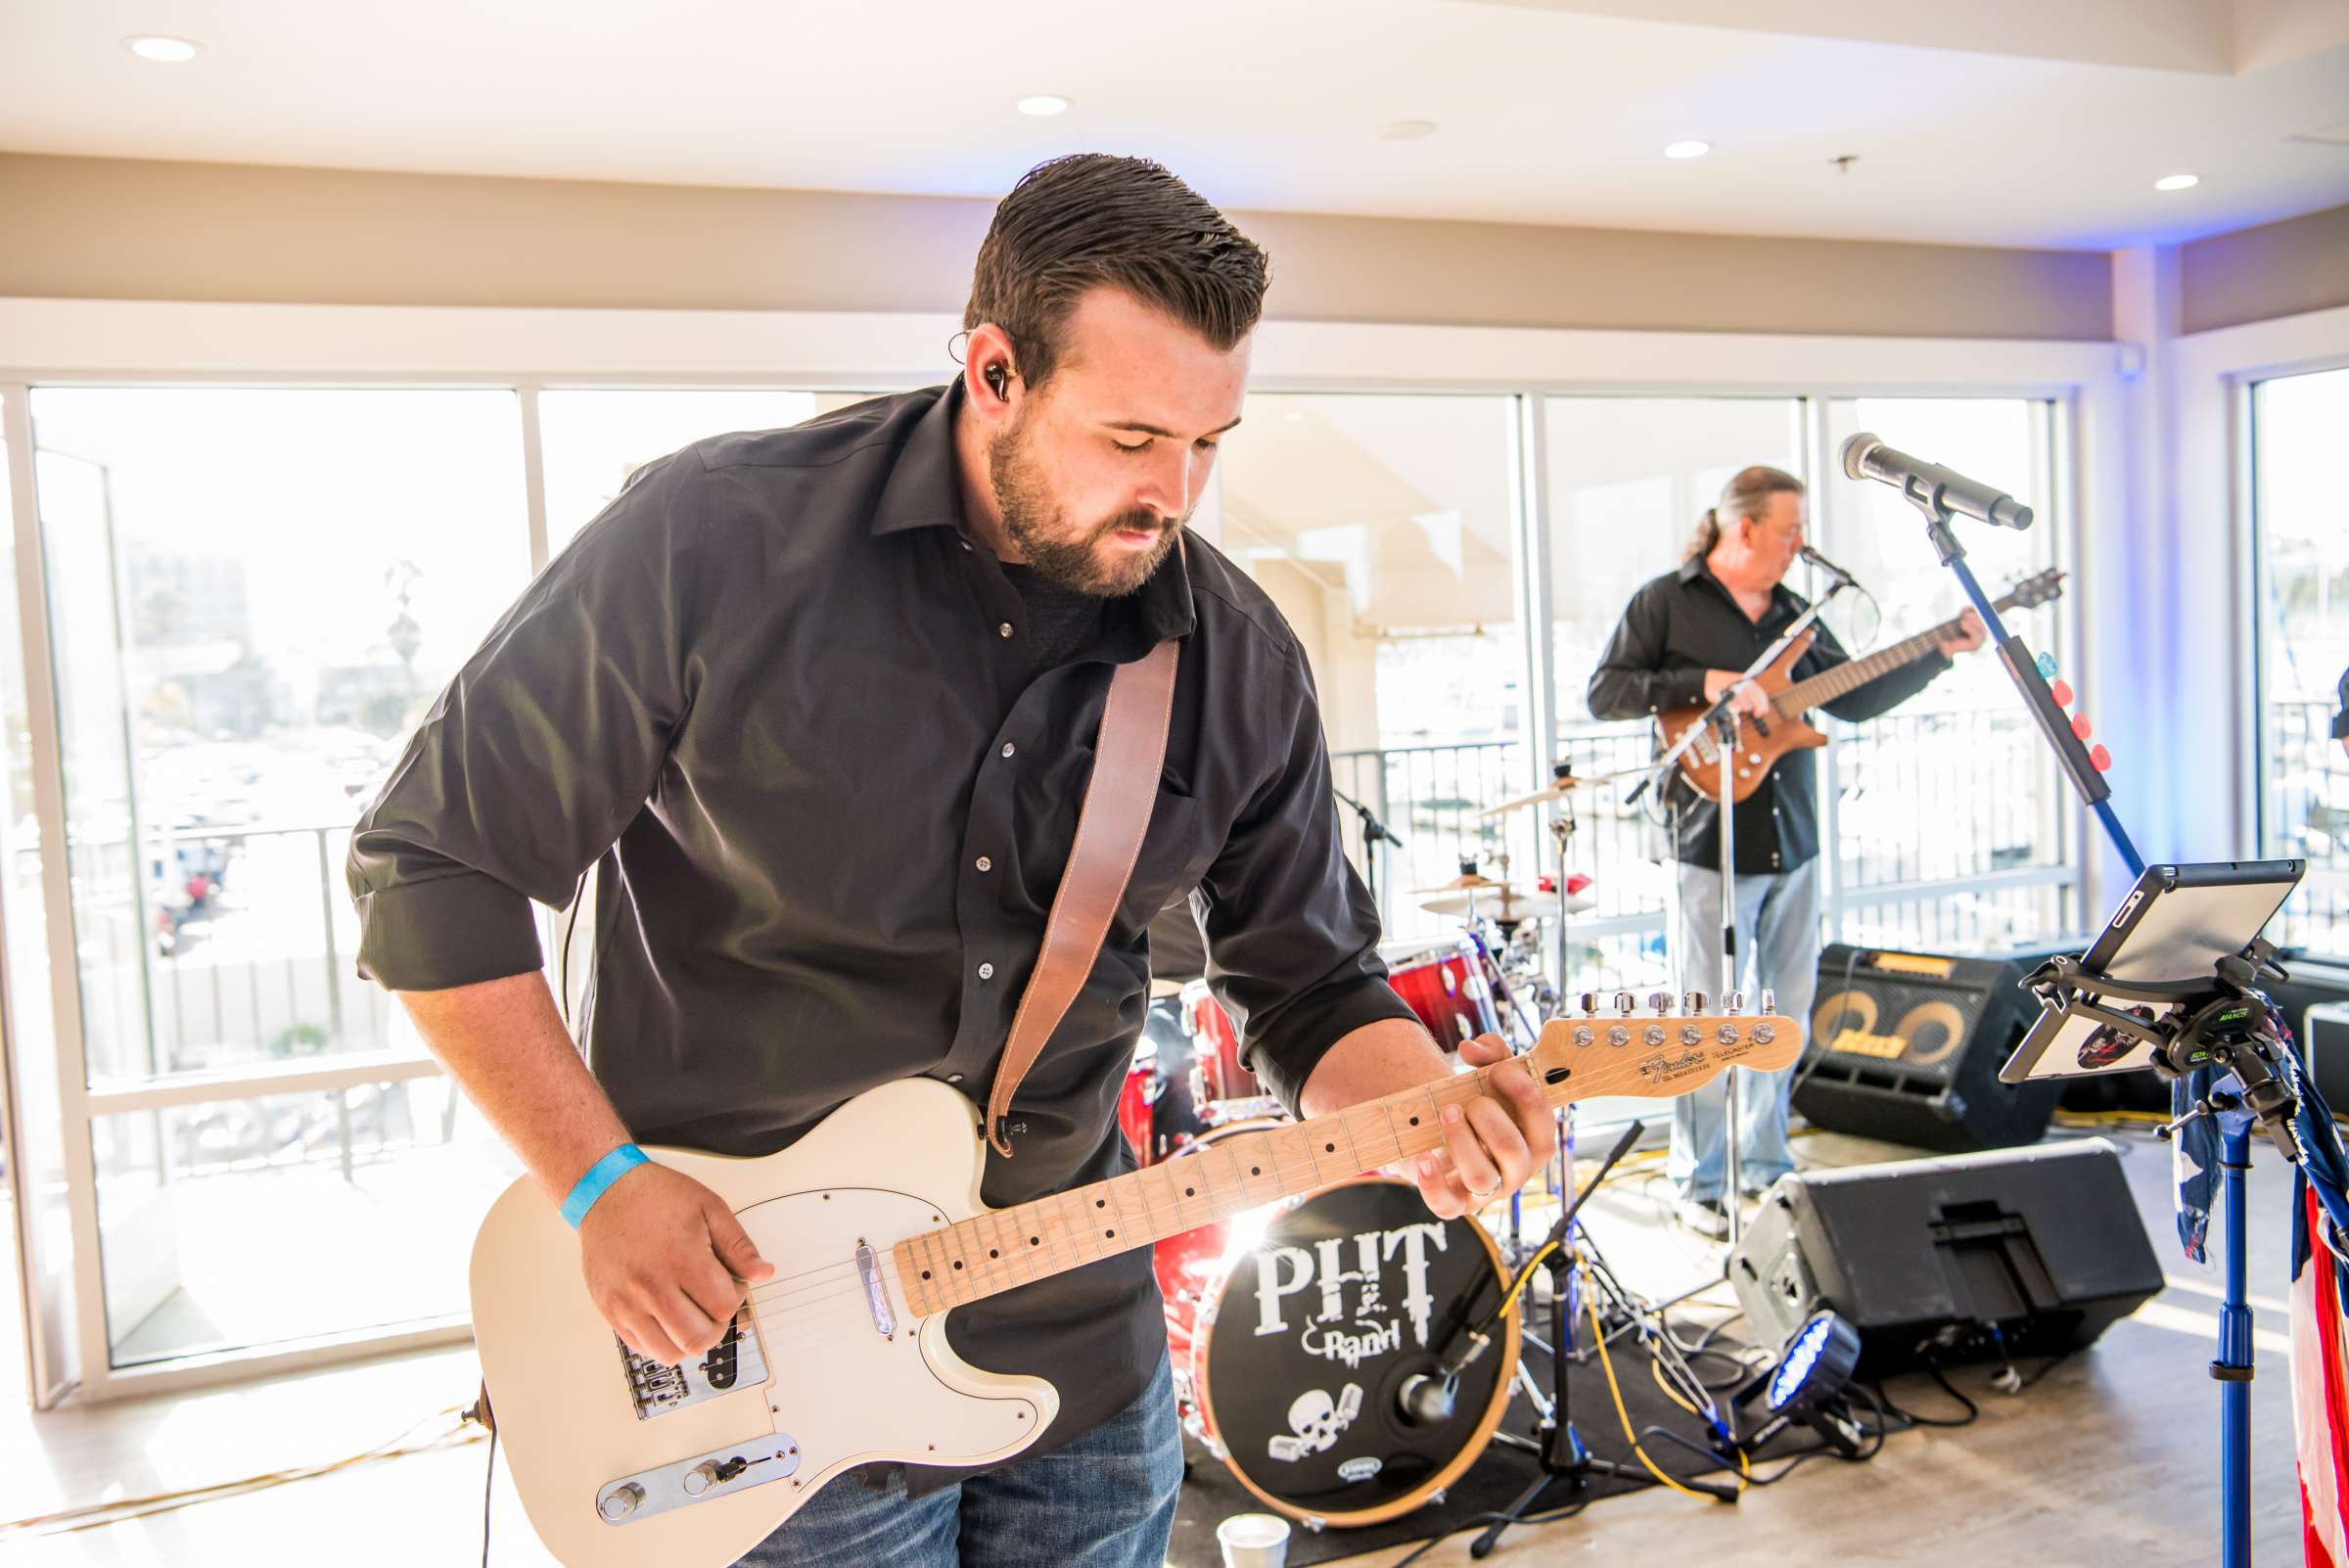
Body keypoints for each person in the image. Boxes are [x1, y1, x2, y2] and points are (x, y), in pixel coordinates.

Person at [345, 154, 1554, 1568]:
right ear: (994, 372)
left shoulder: (1235, 657)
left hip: (1088, 1383)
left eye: (1211, 442)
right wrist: (600, 1185)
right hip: (747, 1353)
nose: (1176, 493)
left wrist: (1434, 1107)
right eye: (1130, 436)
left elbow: (1309, 984)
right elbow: (429, 868)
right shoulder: (713, 541)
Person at [1587, 465, 1984, 1239]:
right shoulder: (1666, 602)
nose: (1802, 545)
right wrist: (1708, 681)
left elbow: (1857, 696)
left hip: (1793, 839)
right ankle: (1699, 1181)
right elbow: (1607, 692)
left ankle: (1765, 1168)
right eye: (1790, 531)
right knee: (1702, 1017)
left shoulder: (1799, 615)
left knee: (1784, 1012)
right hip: (1707, 843)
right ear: (1744, 530)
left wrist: (1942, 652)